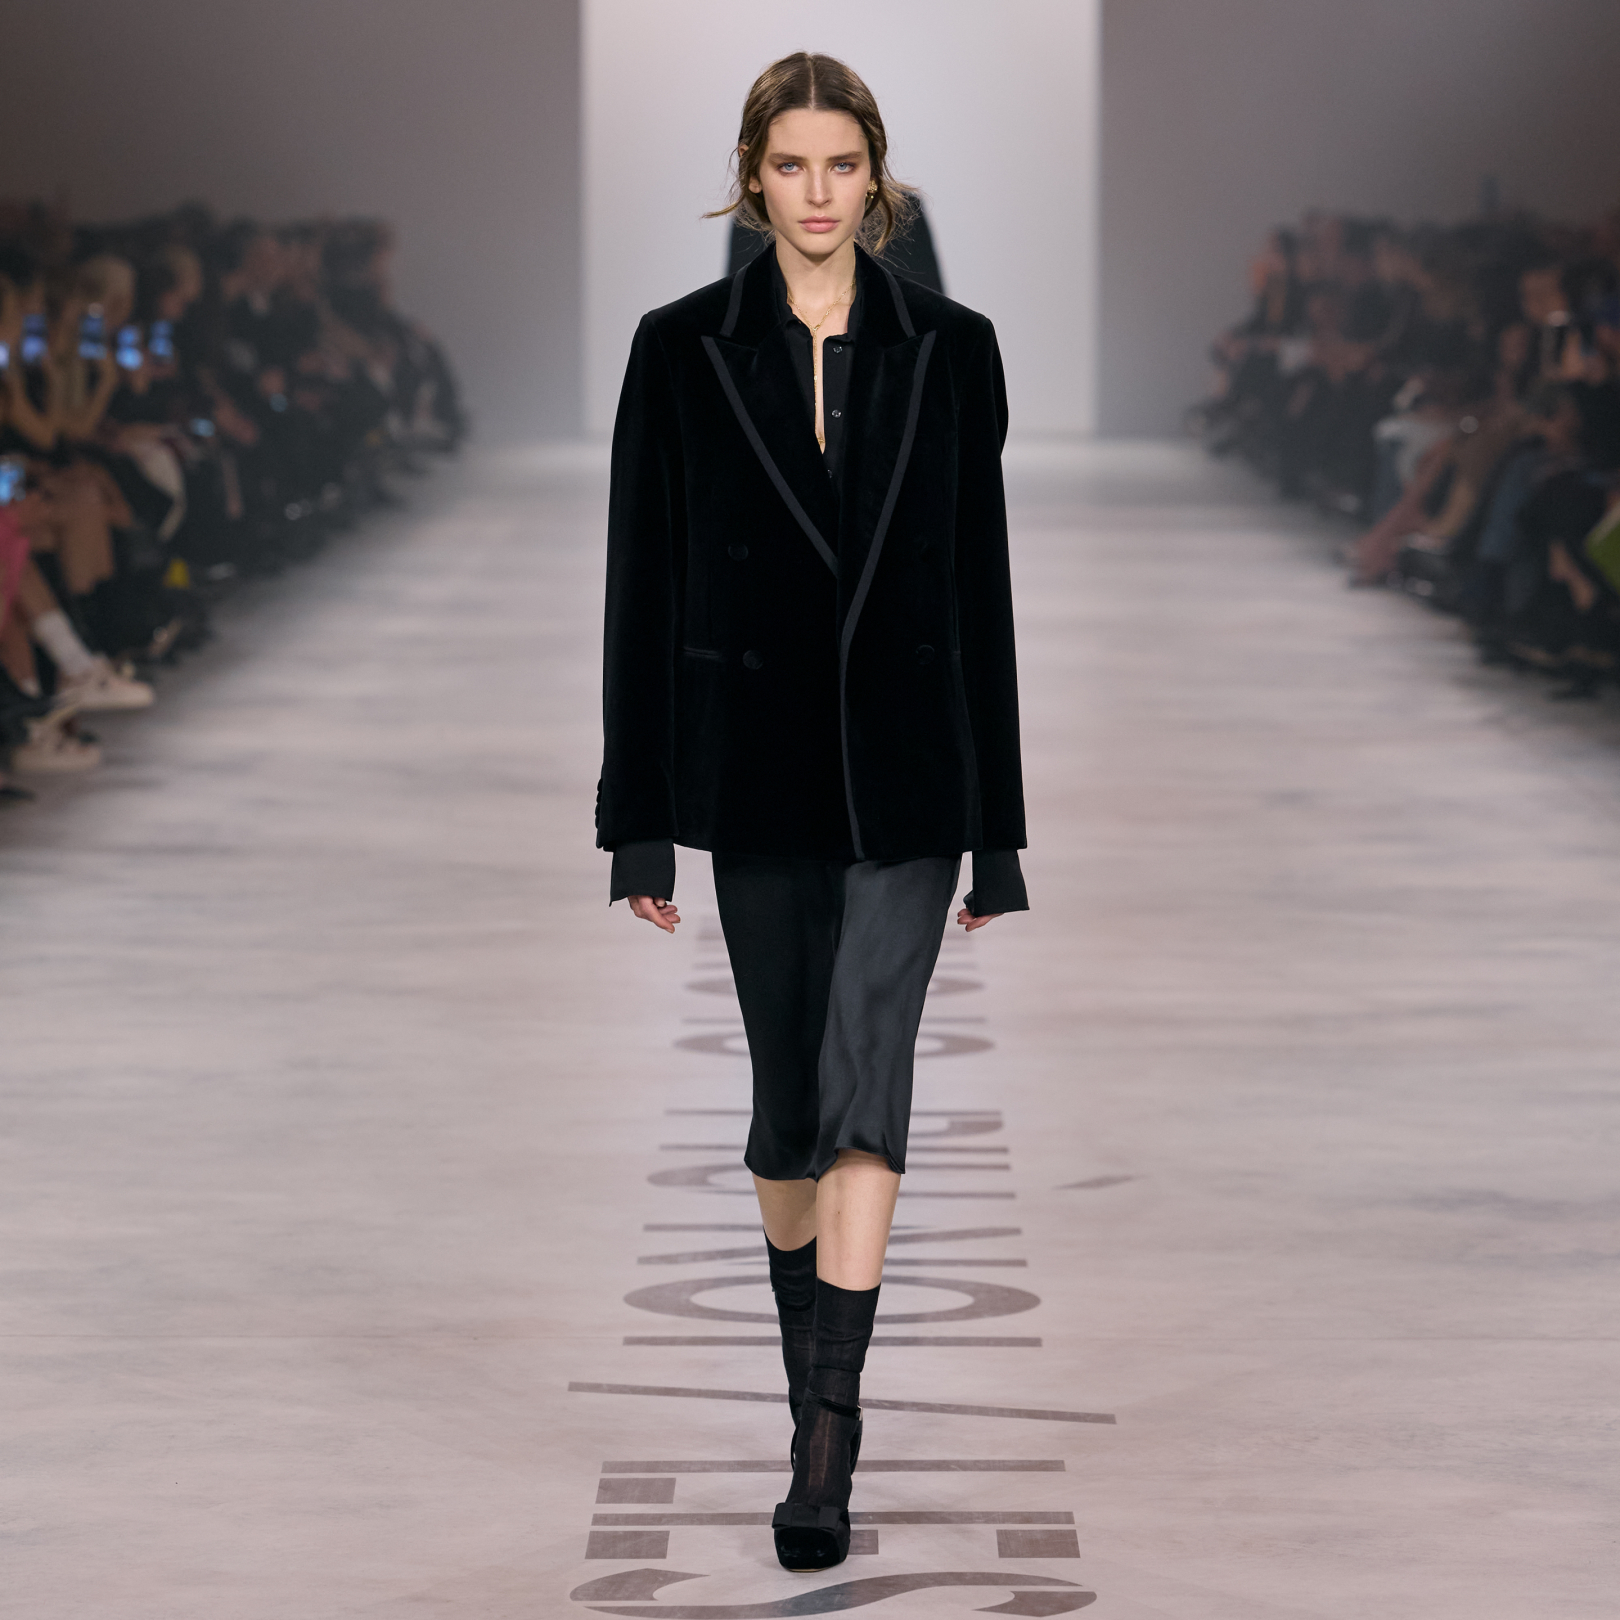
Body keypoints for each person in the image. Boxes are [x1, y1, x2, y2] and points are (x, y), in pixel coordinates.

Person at [596, 52, 1028, 1574]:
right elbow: (642, 586)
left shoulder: (954, 350)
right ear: (752, 177)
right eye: (792, 165)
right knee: (786, 1114)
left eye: (843, 164)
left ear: (878, 176)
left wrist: (999, 828)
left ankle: (826, 1439)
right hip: (757, 771)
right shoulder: (680, 350)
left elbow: (979, 589)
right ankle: (810, 1394)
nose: (819, 192)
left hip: (911, 772)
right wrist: (637, 817)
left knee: (863, 1085)